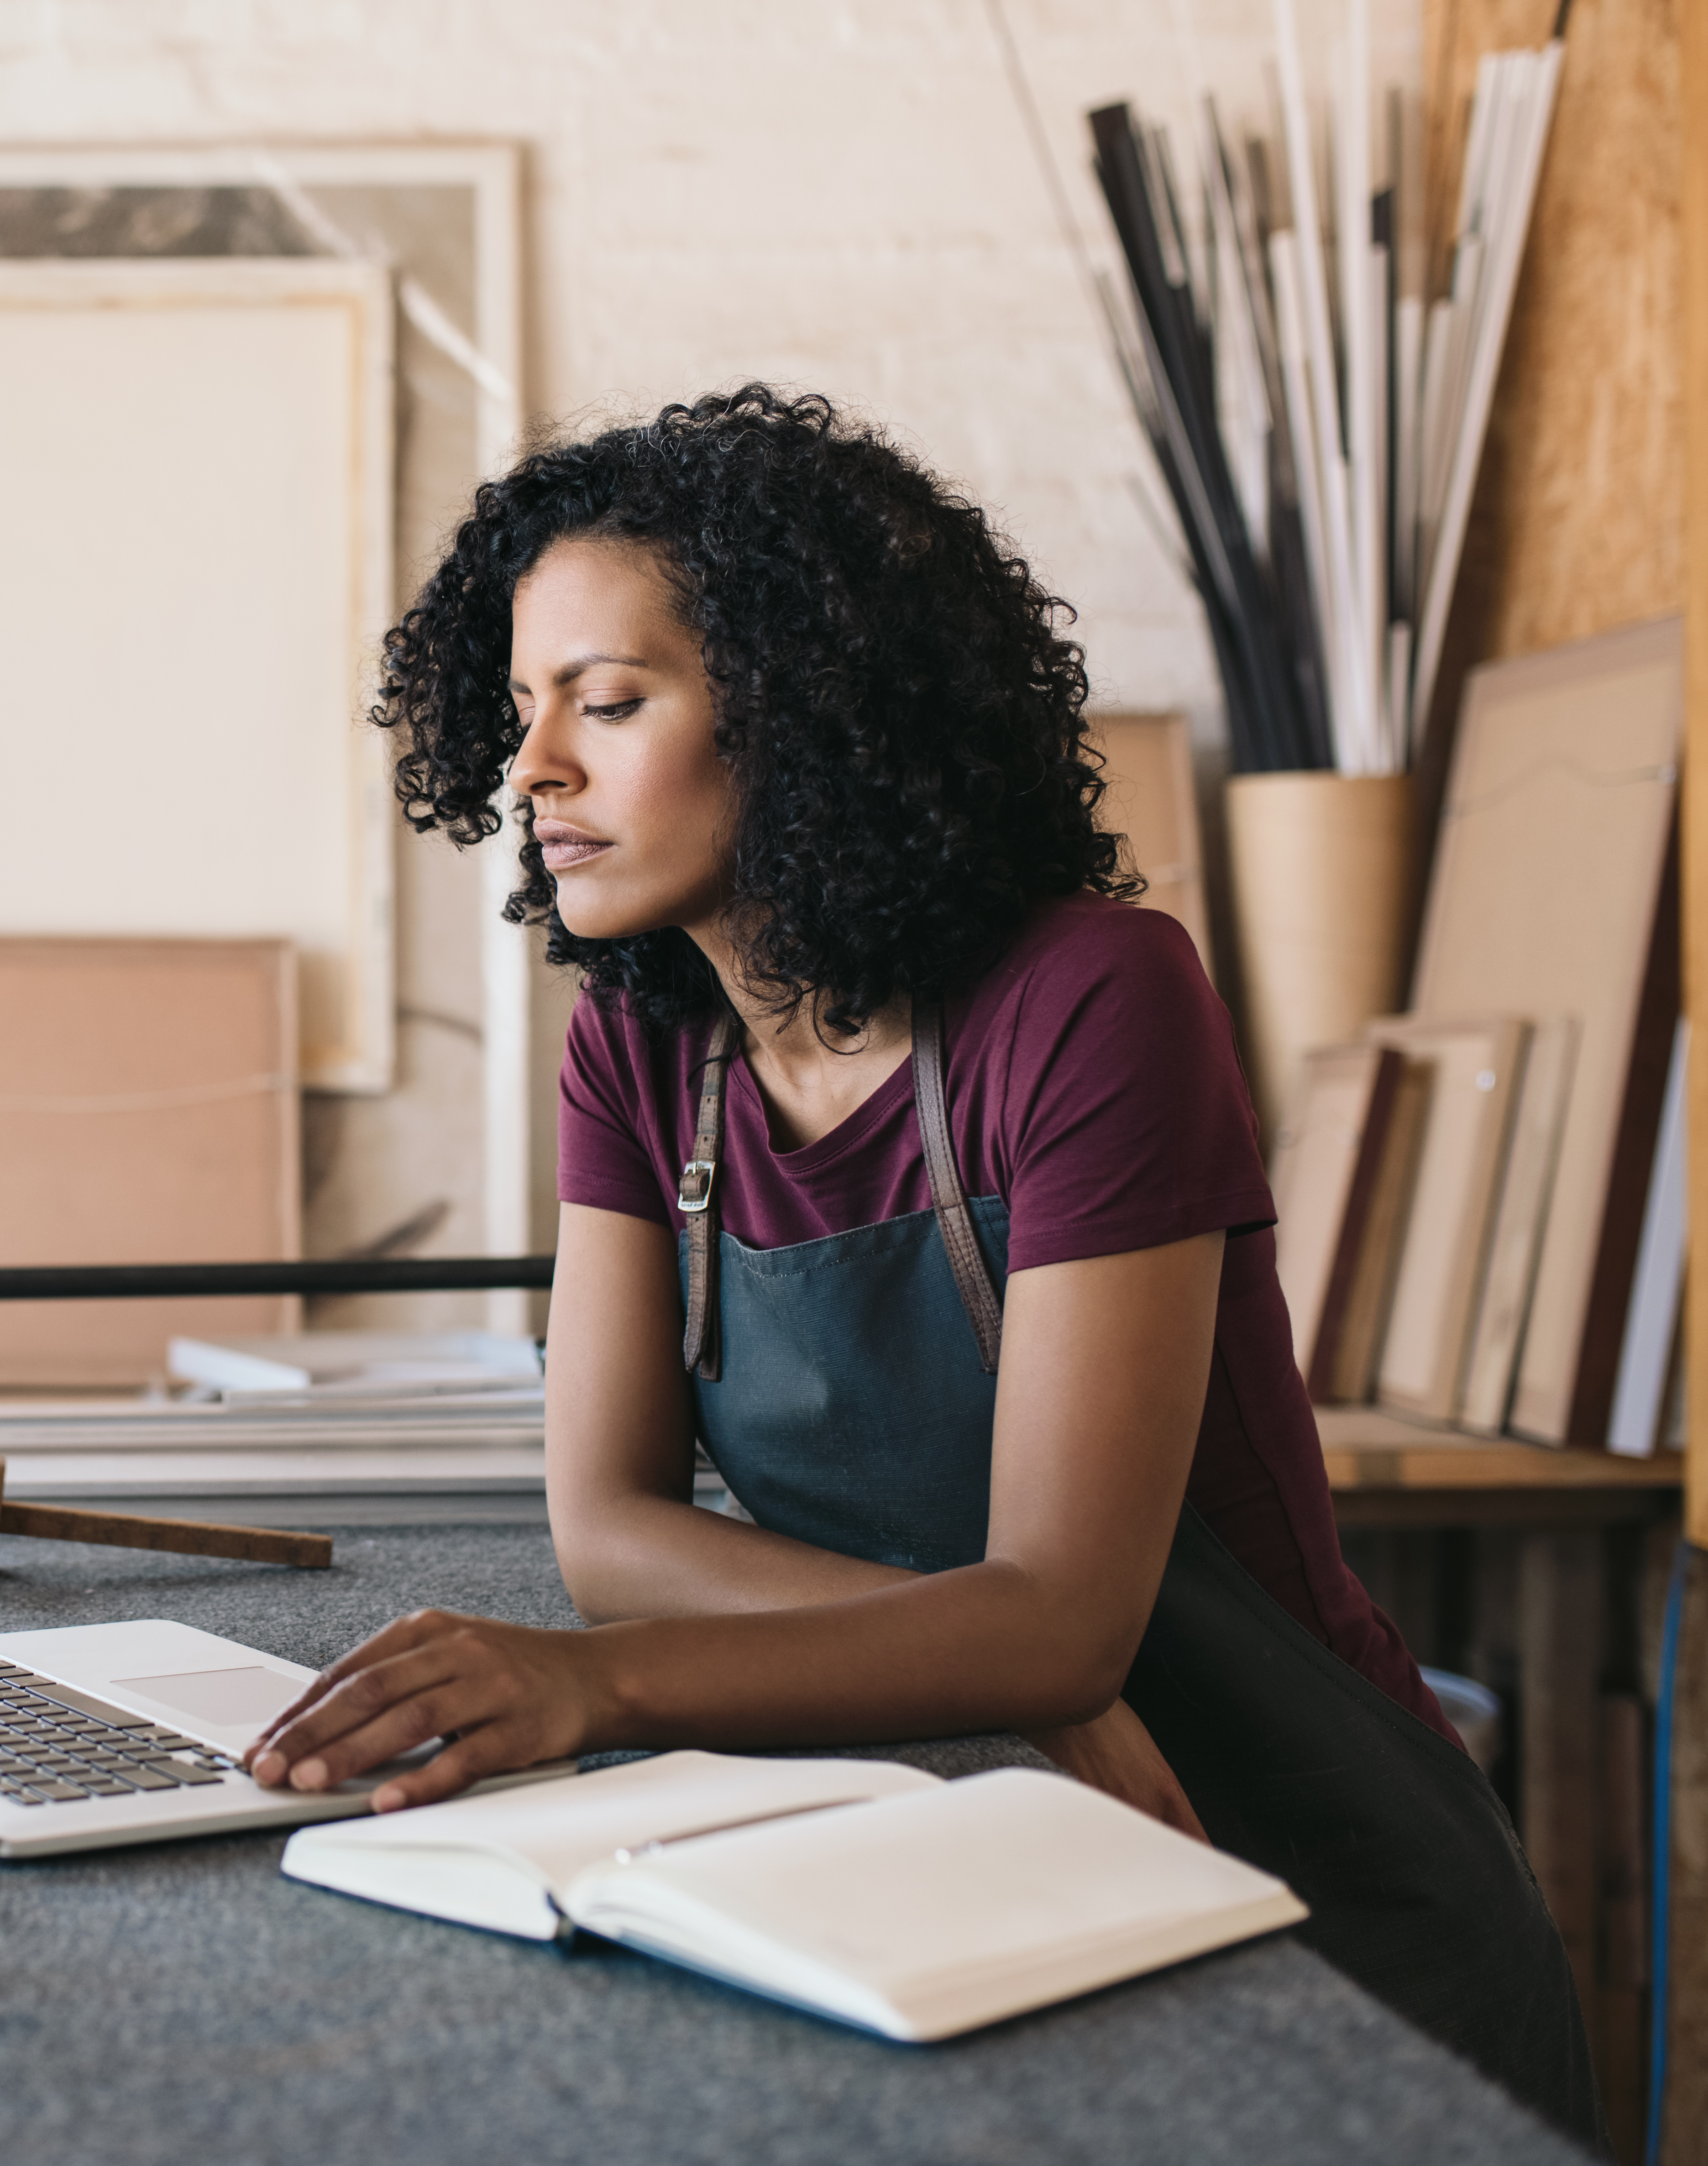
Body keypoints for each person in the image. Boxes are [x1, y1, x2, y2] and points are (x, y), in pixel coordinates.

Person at [245, 387, 1596, 2139]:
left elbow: (1053, 1602)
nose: (535, 772)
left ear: (799, 716)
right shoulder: (640, 1057)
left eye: (611, 702)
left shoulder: (1098, 999)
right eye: (521, 713)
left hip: (1306, 1900)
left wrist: (612, 1677)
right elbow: (612, 1532)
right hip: (979, 1845)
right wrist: (1018, 1684)